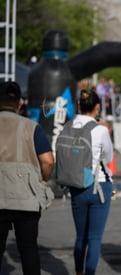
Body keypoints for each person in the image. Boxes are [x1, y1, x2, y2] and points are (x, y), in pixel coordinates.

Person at [0, 81, 54, 275]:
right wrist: (42, 180)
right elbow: (47, 161)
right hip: (26, 196)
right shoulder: (31, 127)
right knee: (28, 249)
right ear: (20, 102)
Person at [66, 89, 114, 275]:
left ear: (78, 106)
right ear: (97, 107)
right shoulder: (100, 130)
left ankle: (78, 272)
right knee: (94, 237)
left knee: (81, 237)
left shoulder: (68, 126)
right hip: (99, 185)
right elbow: (108, 156)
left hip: (76, 183)